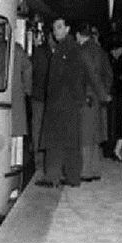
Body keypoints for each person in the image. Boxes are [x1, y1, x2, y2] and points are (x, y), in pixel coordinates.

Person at [36, 16, 89, 188]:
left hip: (61, 103)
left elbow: (74, 78)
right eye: (54, 28)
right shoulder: (70, 48)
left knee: (55, 143)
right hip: (67, 104)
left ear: (68, 29)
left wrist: (76, 99)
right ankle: (73, 178)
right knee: (70, 142)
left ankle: (52, 177)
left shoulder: (67, 50)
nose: (55, 31)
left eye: (59, 27)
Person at [77, 23, 113, 181]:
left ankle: (85, 171)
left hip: (87, 97)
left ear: (79, 35)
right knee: (95, 135)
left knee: (85, 134)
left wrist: (101, 93)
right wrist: (104, 93)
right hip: (97, 98)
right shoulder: (100, 50)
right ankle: (96, 169)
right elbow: (108, 74)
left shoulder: (83, 51)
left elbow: (91, 75)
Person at [30, 30, 54, 172]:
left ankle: (43, 158)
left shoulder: (38, 52)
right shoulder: (41, 52)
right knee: (39, 127)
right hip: (41, 96)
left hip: (48, 96)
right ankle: (39, 158)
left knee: (40, 126)